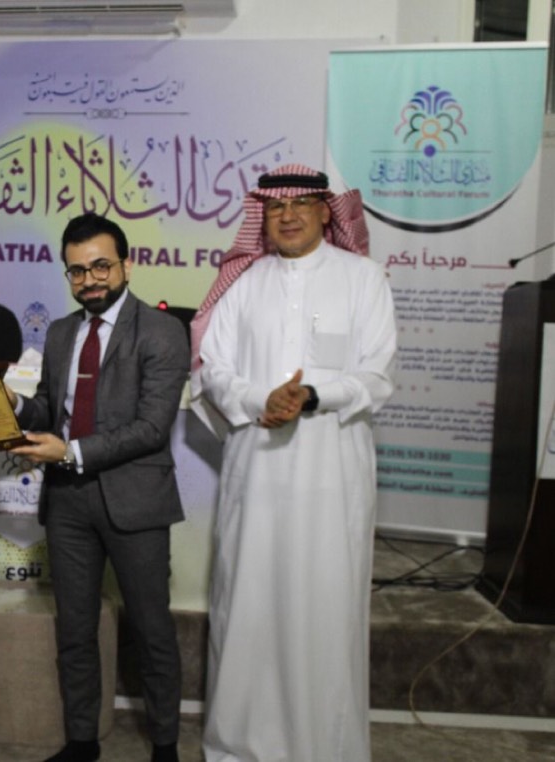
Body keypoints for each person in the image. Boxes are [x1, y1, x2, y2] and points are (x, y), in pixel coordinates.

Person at [190, 164, 397, 762]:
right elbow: (213, 370)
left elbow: (377, 374)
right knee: (248, 604)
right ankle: (239, 747)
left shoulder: (363, 279)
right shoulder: (243, 283)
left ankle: (321, 747)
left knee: (325, 606)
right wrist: (263, 399)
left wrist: (310, 396)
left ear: (326, 212)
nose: (287, 216)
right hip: (255, 471)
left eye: (301, 205)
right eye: (276, 207)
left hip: (332, 472)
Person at [8, 212, 187, 762]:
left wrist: (71, 452)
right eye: (77, 271)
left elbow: (151, 428)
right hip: (68, 502)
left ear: (126, 265)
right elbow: (50, 409)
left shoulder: (162, 331)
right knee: (75, 631)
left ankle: (165, 748)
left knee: (152, 631)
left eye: (101, 266)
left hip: (136, 501)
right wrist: (12, 404)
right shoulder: (61, 332)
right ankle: (81, 743)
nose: (90, 280)